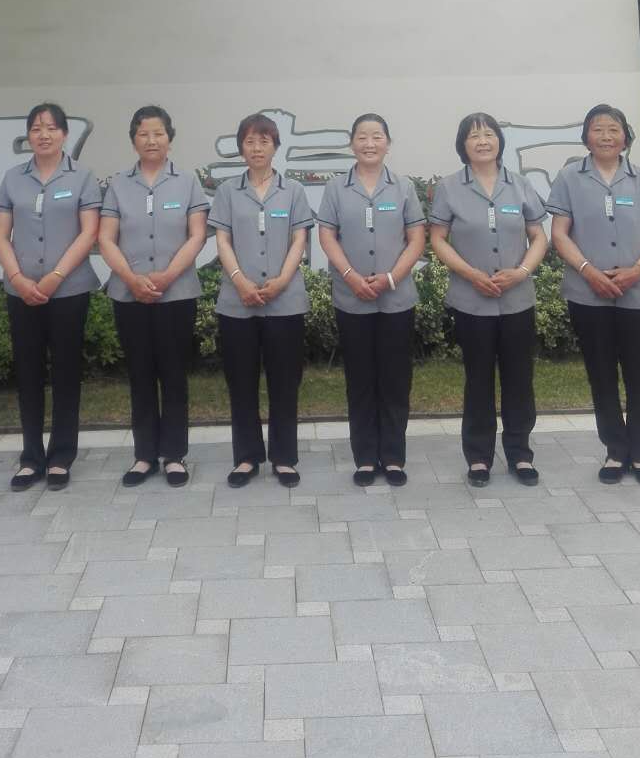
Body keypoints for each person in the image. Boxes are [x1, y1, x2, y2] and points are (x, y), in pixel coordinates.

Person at [547, 103, 640, 486]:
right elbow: (559, 234)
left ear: (625, 137)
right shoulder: (569, 178)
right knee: (601, 376)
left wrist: (638, 271)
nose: (606, 136)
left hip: (639, 295)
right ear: (586, 137)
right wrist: (588, 271)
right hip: (588, 295)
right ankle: (615, 451)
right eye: (598, 129)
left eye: (613, 129)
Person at [429, 112, 549, 488]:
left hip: (517, 300)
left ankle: (520, 454)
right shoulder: (449, 187)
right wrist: (471, 274)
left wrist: (522, 271)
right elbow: (437, 239)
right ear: (463, 145)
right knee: (478, 379)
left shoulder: (520, 185)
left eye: (489, 134)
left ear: (499, 140)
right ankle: (479, 457)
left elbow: (539, 236)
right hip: (472, 301)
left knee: (519, 379)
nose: (482, 141)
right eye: (474, 136)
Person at [99, 105, 211, 488]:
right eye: (144, 134)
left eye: (159, 133)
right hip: (129, 295)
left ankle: (174, 455)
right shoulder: (118, 185)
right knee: (140, 375)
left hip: (177, 294)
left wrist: (167, 275)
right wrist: (131, 279)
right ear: (133, 140)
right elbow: (105, 238)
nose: (152, 140)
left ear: (170, 138)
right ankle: (144, 455)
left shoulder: (188, 182)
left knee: (174, 374)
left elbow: (197, 235)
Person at [0, 103, 102, 492]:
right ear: (29, 135)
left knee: (66, 373)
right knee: (28, 374)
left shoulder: (83, 177)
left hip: (69, 290)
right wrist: (17, 278)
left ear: (64, 134)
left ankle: (61, 456)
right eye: (37, 128)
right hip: (21, 291)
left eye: (52, 128)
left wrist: (55, 277)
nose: (44, 134)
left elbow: (89, 233)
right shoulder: (12, 179)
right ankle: (30, 457)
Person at [317, 113, 426, 487]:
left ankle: (393, 457)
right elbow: (327, 235)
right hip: (352, 298)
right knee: (360, 379)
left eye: (377, 136)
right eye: (362, 137)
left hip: (397, 299)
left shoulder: (403, 187)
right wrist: (350, 276)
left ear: (387, 143)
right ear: (352, 143)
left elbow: (416, 238)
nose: (369, 143)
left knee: (395, 379)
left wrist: (392, 277)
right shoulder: (336, 187)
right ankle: (365, 457)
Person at [209, 113, 314, 488]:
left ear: (275, 147)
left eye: (264, 141)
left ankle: (284, 458)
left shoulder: (293, 190)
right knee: (241, 382)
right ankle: (247, 457)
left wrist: (283, 280)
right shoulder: (227, 191)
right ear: (241, 148)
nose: (257, 148)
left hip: (285, 303)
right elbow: (222, 240)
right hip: (237, 303)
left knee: (285, 382)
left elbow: (299, 239)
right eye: (250, 141)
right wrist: (239, 280)